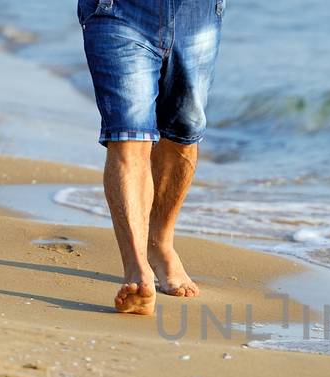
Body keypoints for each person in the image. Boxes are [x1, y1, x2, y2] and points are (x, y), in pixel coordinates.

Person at [78, 0, 225, 314]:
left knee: (183, 132)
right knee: (128, 135)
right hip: (117, 9)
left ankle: (160, 243)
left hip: (197, 14)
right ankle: (136, 268)